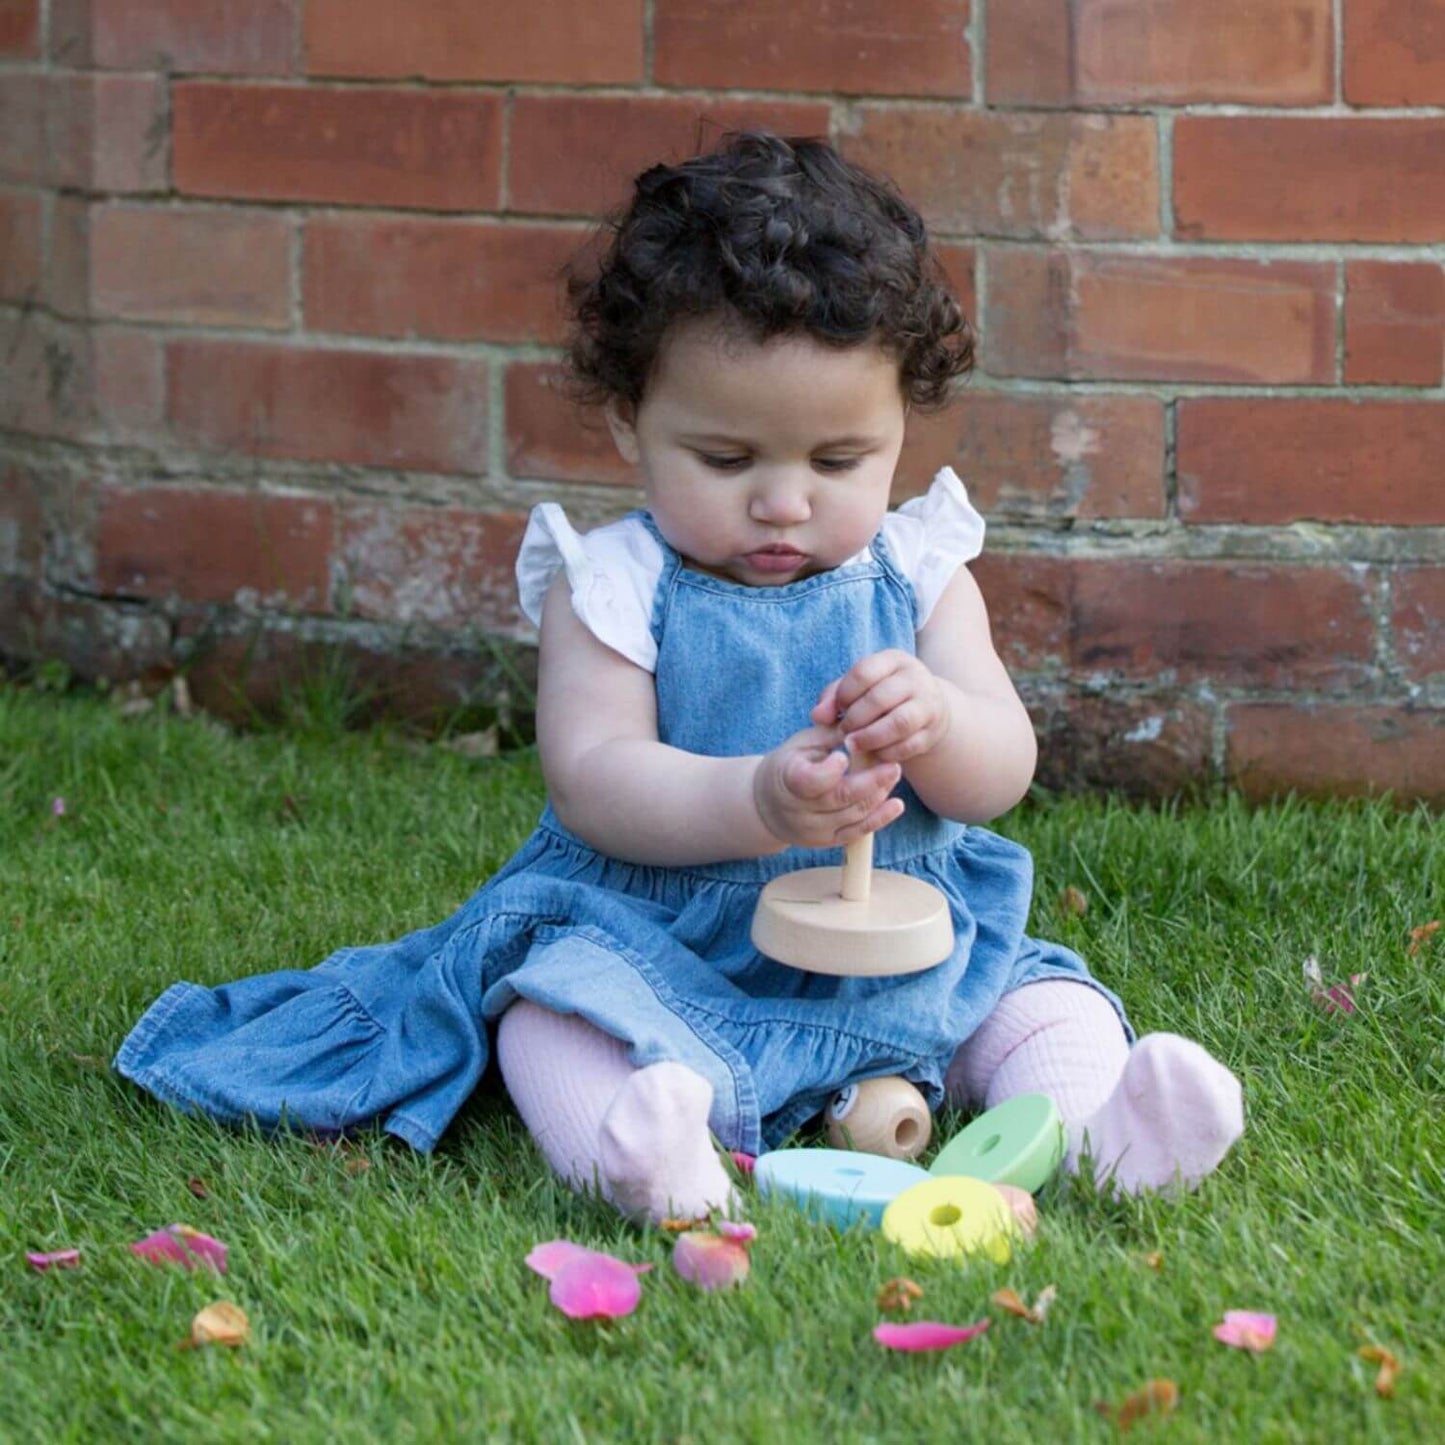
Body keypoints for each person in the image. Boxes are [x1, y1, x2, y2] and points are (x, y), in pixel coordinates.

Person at [115, 131, 1243, 1225]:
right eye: (724, 459)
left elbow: (999, 770)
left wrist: (940, 719)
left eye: (838, 461)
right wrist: (754, 799)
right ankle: (644, 1153)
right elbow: (593, 778)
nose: (783, 503)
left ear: (900, 424)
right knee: (549, 1019)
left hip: (902, 946)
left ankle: (1101, 1134)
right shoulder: (613, 586)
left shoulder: (921, 570)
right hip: (667, 948)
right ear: (629, 422)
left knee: (1042, 999)